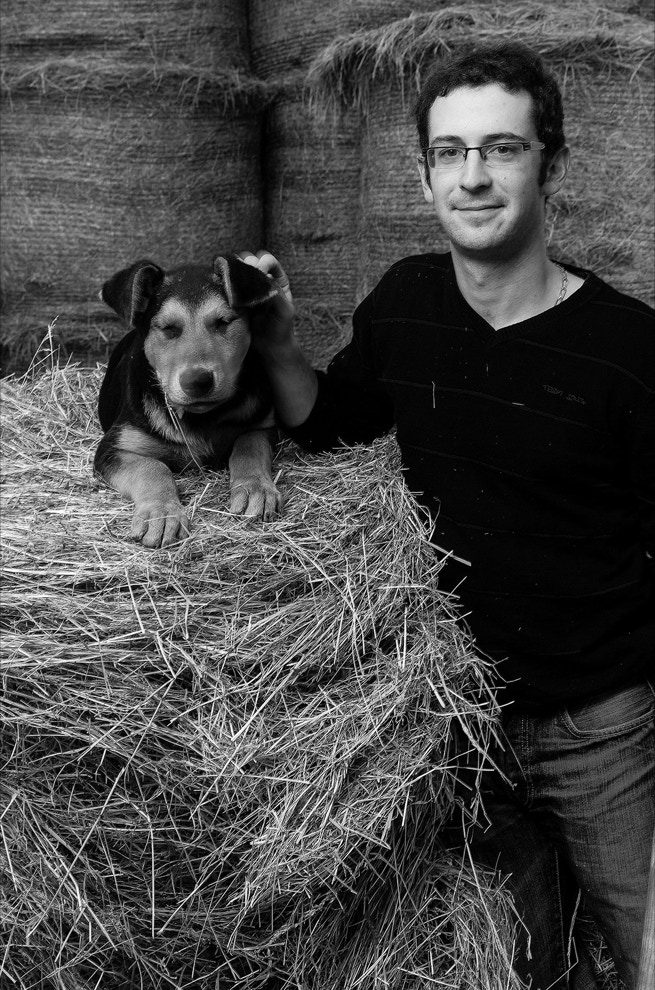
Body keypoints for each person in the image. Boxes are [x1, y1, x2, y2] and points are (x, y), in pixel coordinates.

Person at [239, 41, 655, 990]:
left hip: (598, 728)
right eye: (449, 152)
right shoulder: (406, 301)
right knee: (502, 964)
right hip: (452, 725)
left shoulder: (629, 351)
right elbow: (333, 424)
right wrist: (279, 343)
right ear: (423, 174)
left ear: (551, 163)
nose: (472, 177)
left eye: (501, 149)